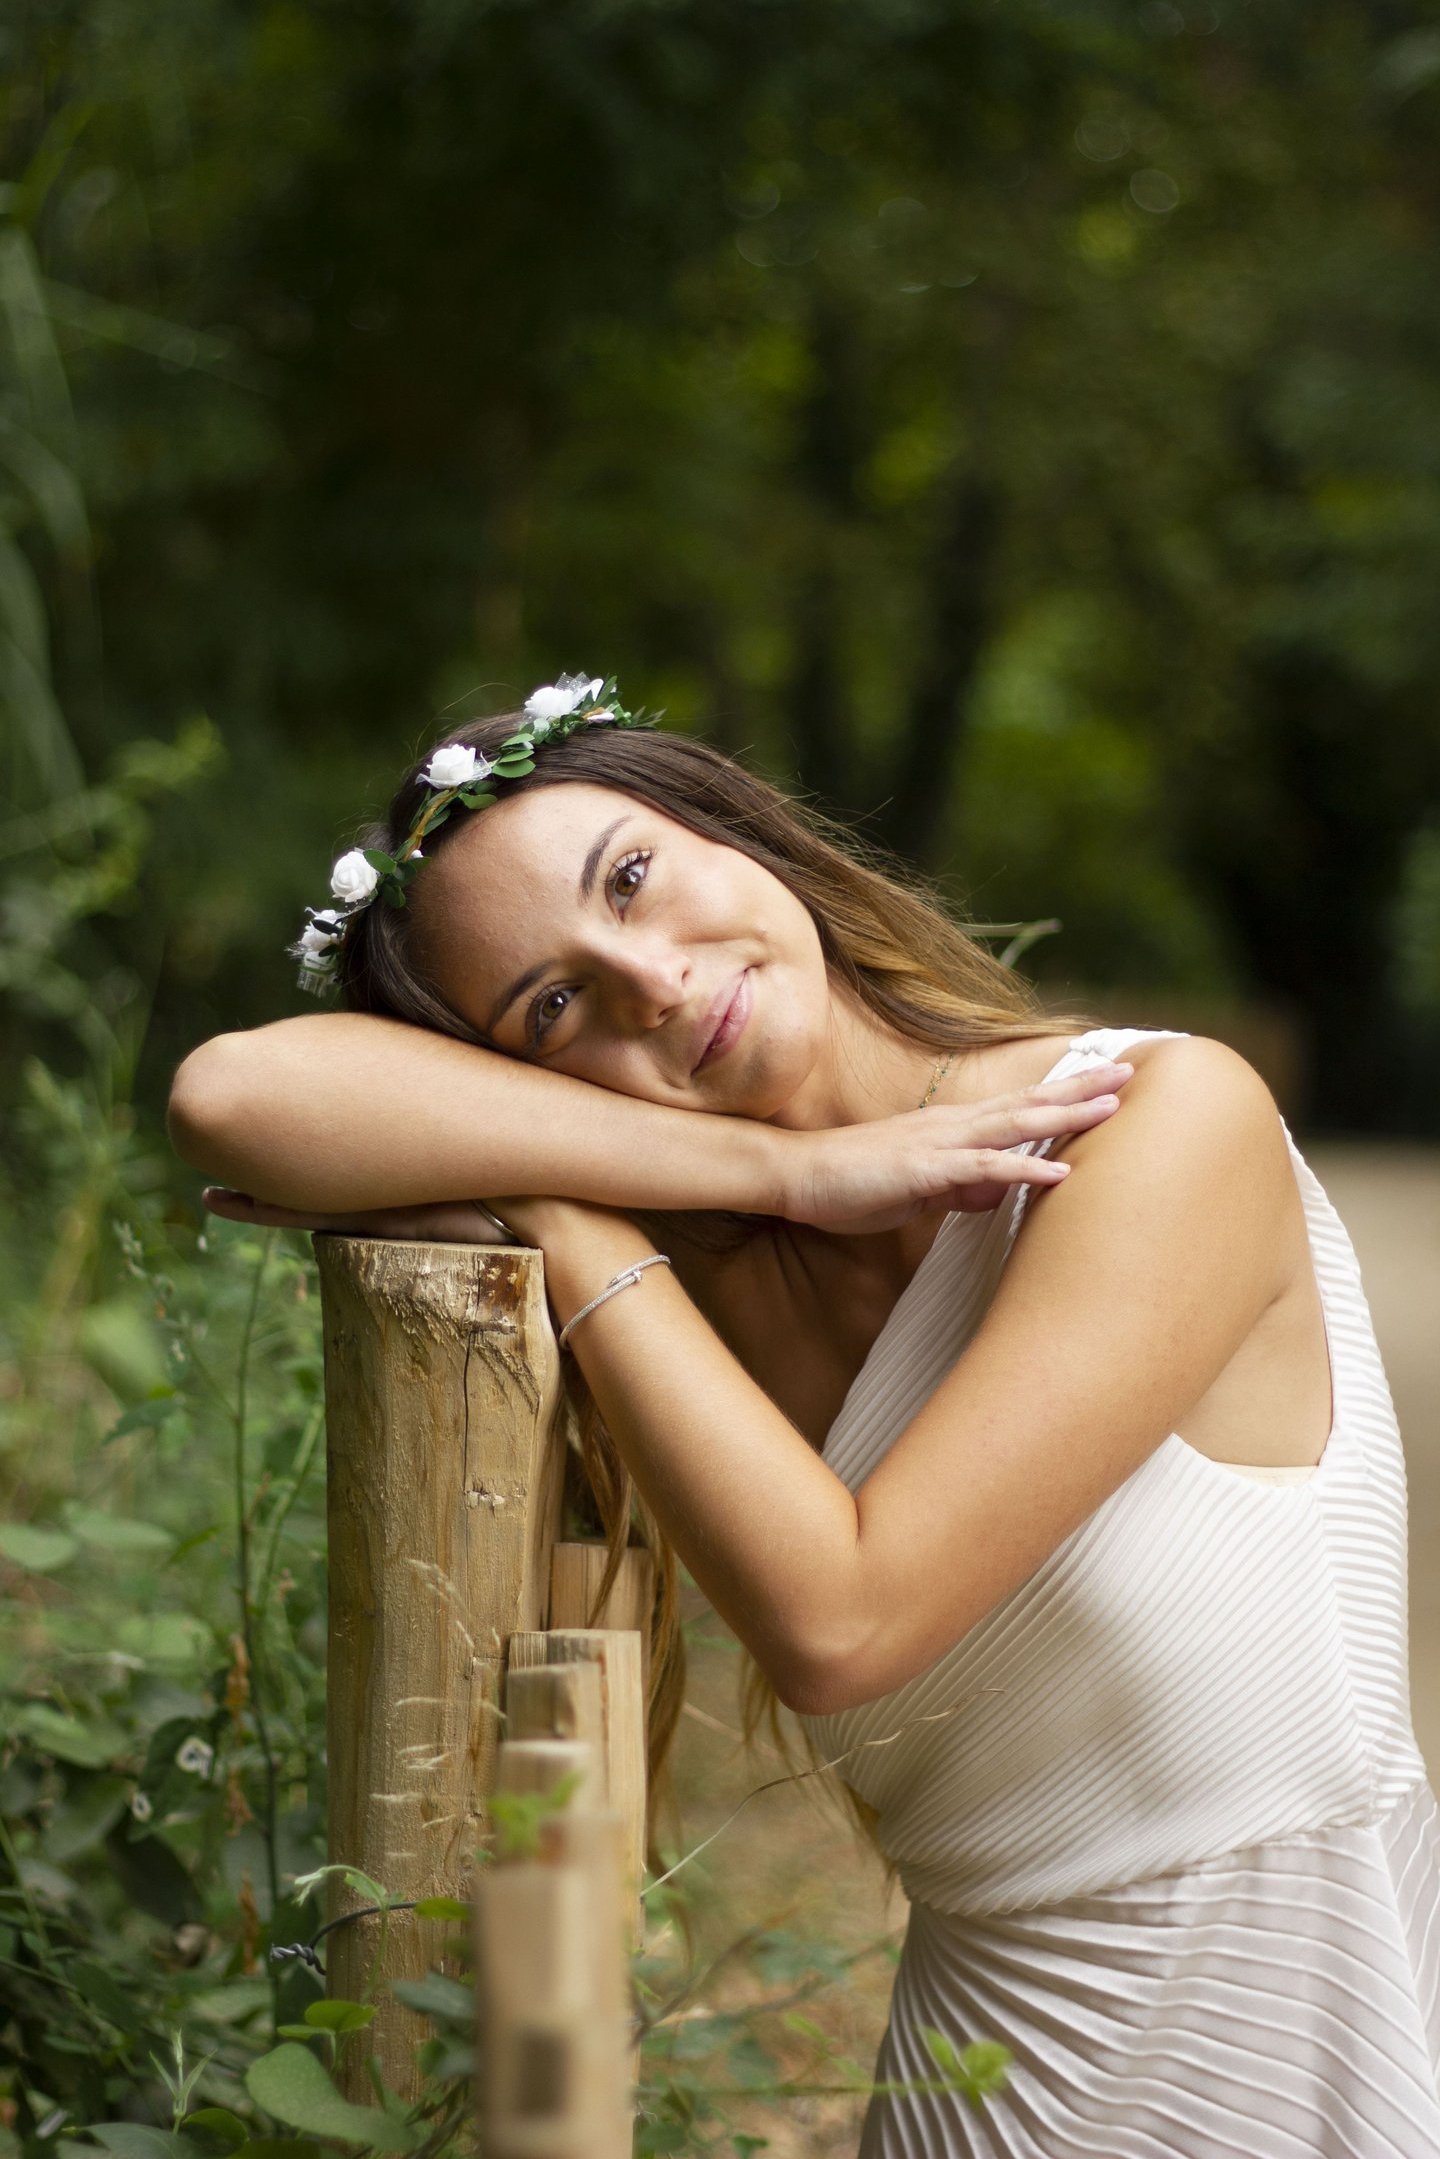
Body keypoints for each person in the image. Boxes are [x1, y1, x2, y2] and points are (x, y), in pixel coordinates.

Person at [168, 675, 1440, 2156]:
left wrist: (567, 1229)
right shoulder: (692, 1283)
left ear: (741, 830)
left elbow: (843, 1619)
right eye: (556, 1003)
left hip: (1288, 2048)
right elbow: (232, 1095)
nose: (645, 978)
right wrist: (773, 1181)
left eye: (631, 877)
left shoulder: (1155, 1124)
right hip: (976, 2091)